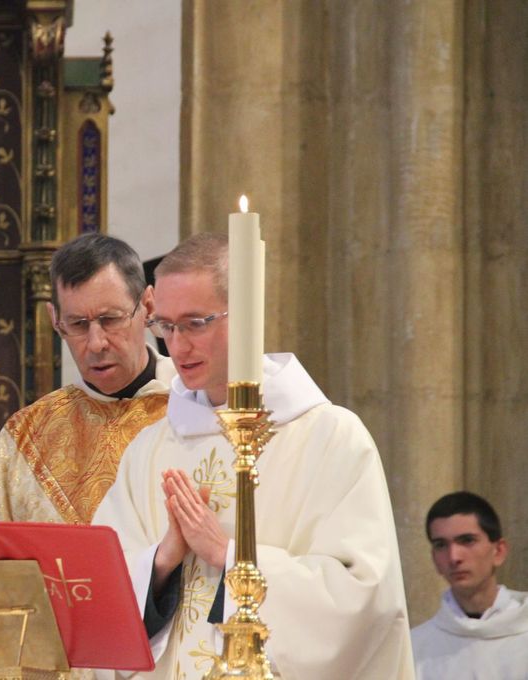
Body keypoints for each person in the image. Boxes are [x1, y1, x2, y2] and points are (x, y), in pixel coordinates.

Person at [93, 233, 415, 679]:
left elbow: (364, 600)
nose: (177, 347)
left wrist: (227, 554)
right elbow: (99, 599)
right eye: (165, 326)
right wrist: (162, 561)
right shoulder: (148, 450)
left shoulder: (329, 436)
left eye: (195, 323)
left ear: (245, 315)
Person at [0, 234, 176, 524]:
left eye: (110, 319)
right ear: (55, 321)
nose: (96, 343)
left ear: (148, 306)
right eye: (78, 324)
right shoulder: (29, 438)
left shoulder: (197, 405)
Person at [411, 491, 528, 679]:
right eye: (441, 545)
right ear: (434, 558)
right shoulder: (413, 649)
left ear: (498, 551)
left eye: (467, 541)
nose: (453, 557)